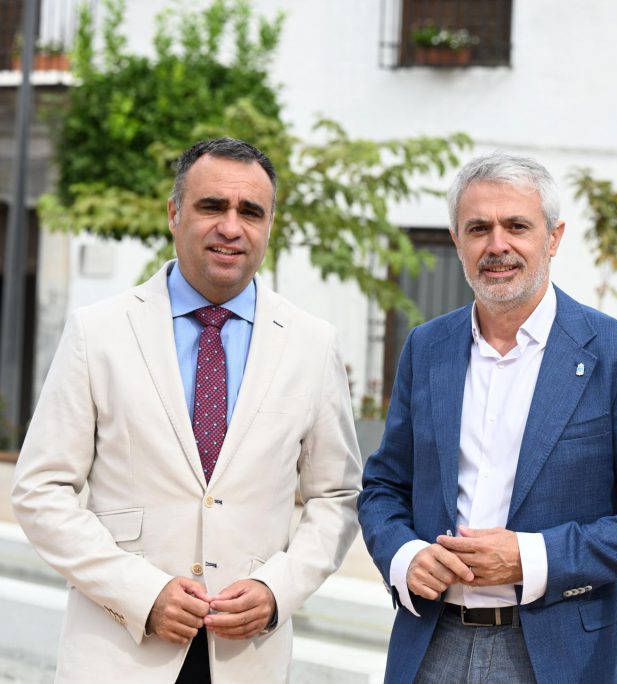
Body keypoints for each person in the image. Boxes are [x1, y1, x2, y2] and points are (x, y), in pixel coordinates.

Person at [11, 137, 362, 683]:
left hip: (247, 657)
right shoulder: (98, 331)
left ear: (269, 225)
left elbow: (336, 497)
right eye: (212, 206)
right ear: (174, 214)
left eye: (251, 211)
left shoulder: (312, 344)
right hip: (119, 652)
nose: (231, 227)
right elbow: (40, 490)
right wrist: (140, 593)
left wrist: (278, 589)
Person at [358, 151, 617, 683]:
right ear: (457, 241)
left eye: (516, 226)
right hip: (431, 645)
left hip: (560, 655)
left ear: (553, 238)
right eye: (478, 229)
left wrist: (531, 558)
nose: (497, 245)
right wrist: (405, 556)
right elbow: (383, 487)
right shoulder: (427, 348)